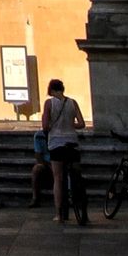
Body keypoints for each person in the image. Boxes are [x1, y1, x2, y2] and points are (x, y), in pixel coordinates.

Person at [42, 78, 89, 226]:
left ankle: (59, 214)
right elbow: (81, 124)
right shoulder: (72, 102)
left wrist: (50, 127)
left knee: (58, 178)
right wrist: (70, 124)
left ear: (51, 90)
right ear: (62, 88)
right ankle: (83, 208)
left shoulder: (49, 103)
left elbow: (45, 126)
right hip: (72, 143)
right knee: (76, 174)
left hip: (56, 143)